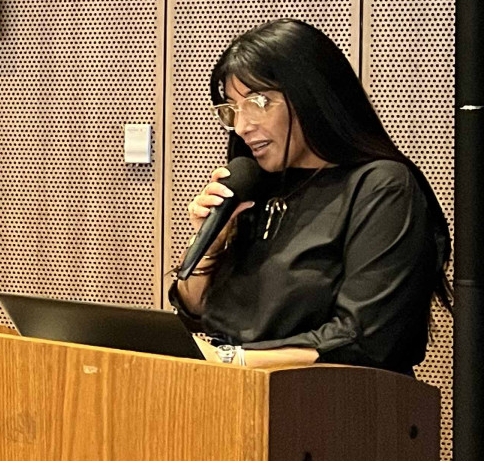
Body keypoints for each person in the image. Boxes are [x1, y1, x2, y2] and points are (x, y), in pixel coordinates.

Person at [174, 19, 451, 374]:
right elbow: (196, 311)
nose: (242, 126)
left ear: (312, 96)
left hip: (333, 399)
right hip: (232, 391)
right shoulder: (257, 186)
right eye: (232, 108)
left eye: (258, 102)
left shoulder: (381, 187)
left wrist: (232, 359)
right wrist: (210, 244)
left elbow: (364, 338)